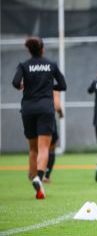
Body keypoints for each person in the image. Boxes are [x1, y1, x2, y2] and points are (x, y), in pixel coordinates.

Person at [12, 36, 67, 199]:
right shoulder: (51, 65)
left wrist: (25, 85)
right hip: (45, 108)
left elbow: (15, 83)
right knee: (44, 148)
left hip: (28, 108)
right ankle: (39, 177)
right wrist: (49, 86)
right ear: (42, 49)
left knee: (33, 148)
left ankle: (33, 176)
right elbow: (63, 85)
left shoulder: (24, 65)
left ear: (30, 50)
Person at [43, 90, 64, 183]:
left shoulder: (33, 83)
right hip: (47, 119)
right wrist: (60, 113)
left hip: (31, 116)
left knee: (35, 148)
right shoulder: (52, 87)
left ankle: (34, 174)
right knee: (50, 148)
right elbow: (57, 105)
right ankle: (46, 176)